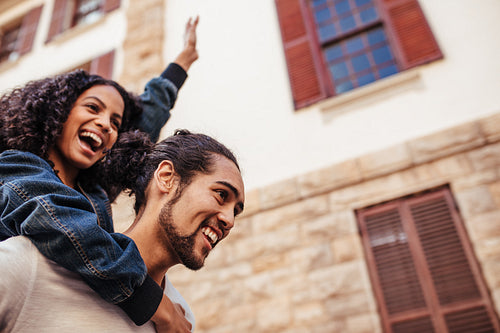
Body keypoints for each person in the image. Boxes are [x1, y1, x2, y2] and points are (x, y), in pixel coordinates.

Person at [0, 17, 199, 332]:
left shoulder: (95, 188)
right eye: (93, 108)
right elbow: (64, 225)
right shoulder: (15, 167)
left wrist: (182, 62)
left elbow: (148, 116)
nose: (106, 124)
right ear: (58, 111)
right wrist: (153, 303)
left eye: (115, 122)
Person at [0, 130, 245, 332]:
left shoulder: (182, 318)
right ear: (167, 177)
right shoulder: (30, 264)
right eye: (221, 194)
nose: (229, 220)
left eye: (236, 210)